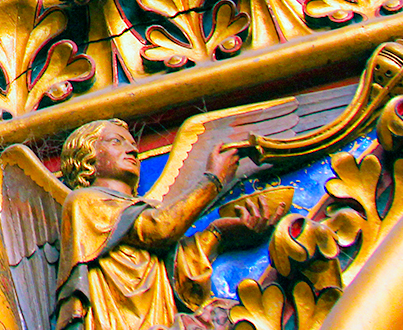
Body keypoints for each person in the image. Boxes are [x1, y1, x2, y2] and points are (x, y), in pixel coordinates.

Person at [55, 120, 277, 330]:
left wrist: (219, 233)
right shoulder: (84, 202)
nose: (132, 150)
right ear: (87, 160)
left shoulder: (144, 210)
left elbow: (178, 269)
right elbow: (159, 229)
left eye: (133, 144)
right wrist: (213, 180)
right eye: (116, 141)